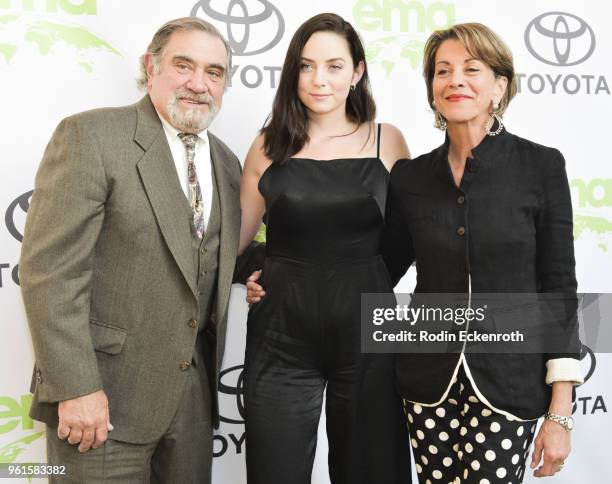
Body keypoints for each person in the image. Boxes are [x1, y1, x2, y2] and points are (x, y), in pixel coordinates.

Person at [20, 17, 262, 483]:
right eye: (184, 65)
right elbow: (50, 273)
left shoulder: (228, 164)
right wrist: (76, 387)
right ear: (150, 67)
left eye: (214, 72)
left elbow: (209, 258)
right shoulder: (91, 137)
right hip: (101, 403)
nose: (199, 83)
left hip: (191, 406)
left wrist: (266, 270)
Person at [380, 23, 583, 483]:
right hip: (426, 381)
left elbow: (559, 289)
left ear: (499, 87)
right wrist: (279, 270)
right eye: (442, 71)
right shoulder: (410, 178)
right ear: (432, 89)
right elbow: (380, 268)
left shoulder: (541, 166)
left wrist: (561, 410)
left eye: (472, 69)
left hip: (510, 383)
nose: (455, 81)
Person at [239, 13, 411, 484]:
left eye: (335, 66)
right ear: (293, 71)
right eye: (307, 65)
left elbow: (410, 237)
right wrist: (258, 268)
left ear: (357, 72)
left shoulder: (387, 140)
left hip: (370, 333)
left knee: (373, 471)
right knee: (275, 472)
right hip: (281, 335)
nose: (320, 80)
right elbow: (235, 241)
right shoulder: (267, 145)